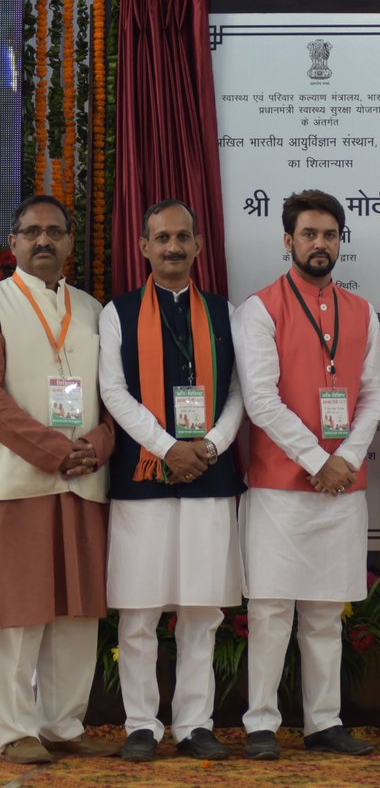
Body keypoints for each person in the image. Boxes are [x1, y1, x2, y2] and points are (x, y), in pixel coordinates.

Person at [233, 189, 380, 759]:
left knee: (325, 611)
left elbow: (376, 392)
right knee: (271, 609)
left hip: (343, 485)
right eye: (308, 234)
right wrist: (320, 461)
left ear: (340, 241)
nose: (319, 244)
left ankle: (324, 722)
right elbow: (261, 400)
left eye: (329, 234)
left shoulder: (363, 311)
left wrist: (345, 458)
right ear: (287, 241)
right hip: (280, 485)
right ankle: (261, 723)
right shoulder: (260, 308)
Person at [99, 199, 245, 762]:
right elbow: (113, 392)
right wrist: (167, 448)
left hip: (209, 474)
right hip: (144, 477)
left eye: (183, 237)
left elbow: (238, 393)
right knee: (139, 610)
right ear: (143, 247)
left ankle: (193, 723)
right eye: (162, 238)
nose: (173, 248)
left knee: (201, 608)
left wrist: (208, 446)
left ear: (199, 245)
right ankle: (141, 724)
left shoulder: (223, 312)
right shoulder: (120, 311)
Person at [0, 195, 119, 763]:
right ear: (13, 243)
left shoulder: (96, 311)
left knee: (78, 609)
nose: (43, 241)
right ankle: (11, 728)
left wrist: (94, 447)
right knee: (19, 610)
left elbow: (116, 398)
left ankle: (63, 724)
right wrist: (54, 450)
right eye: (31, 232)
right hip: (20, 481)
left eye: (54, 232)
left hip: (84, 480)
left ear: (71, 242)